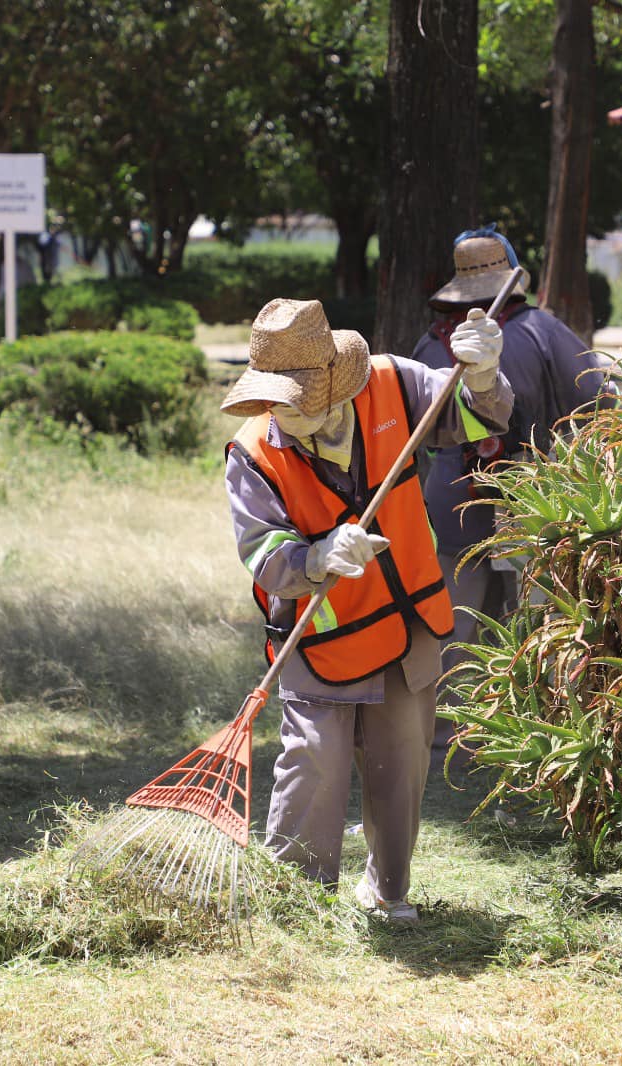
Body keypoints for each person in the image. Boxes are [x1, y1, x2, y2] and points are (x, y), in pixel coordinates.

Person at [222, 297, 511, 923]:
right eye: (273, 399)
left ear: (334, 386)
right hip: (321, 637)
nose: (280, 413)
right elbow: (264, 555)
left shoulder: (394, 384)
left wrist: (484, 374)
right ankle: (296, 903)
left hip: (407, 621)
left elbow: (476, 415)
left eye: (293, 399)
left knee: (402, 757)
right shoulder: (252, 454)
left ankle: (386, 889)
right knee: (314, 764)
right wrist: (319, 555)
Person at [409, 228, 613, 768]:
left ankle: (445, 739)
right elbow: (597, 399)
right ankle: (532, 735)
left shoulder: (435, 341)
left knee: (457, 623)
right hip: (533, 500)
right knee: (533, 624)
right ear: (514, 273)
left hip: (453, 502)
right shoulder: (540, 330)